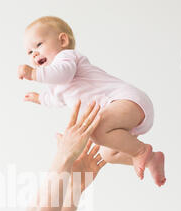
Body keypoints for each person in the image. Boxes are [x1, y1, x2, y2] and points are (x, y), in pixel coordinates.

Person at [18, 15, 166, 187]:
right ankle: (151, 159)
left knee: (95, 132)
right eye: (29, 52)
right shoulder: (56, 84)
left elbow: (62, 72)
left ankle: (140, 150)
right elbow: (56, 99)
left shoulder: (66, 57)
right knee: (107, 154)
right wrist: (39, 99)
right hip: (120, 115)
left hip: (127, 101)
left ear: (63, 40)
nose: (34, 53)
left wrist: (33, 74)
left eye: (39, 45)